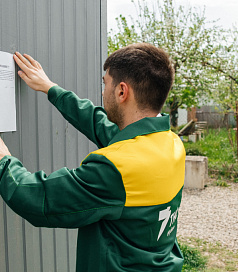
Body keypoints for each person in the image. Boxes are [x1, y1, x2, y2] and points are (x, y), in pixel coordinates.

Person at [0, 43, 185, 272]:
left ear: (121, 91)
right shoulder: (172, 144)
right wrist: (51, 89)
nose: (102, 91)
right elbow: (101, 125)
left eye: (105, 83)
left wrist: (3, 159)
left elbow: (39, 198)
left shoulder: (115, 169)